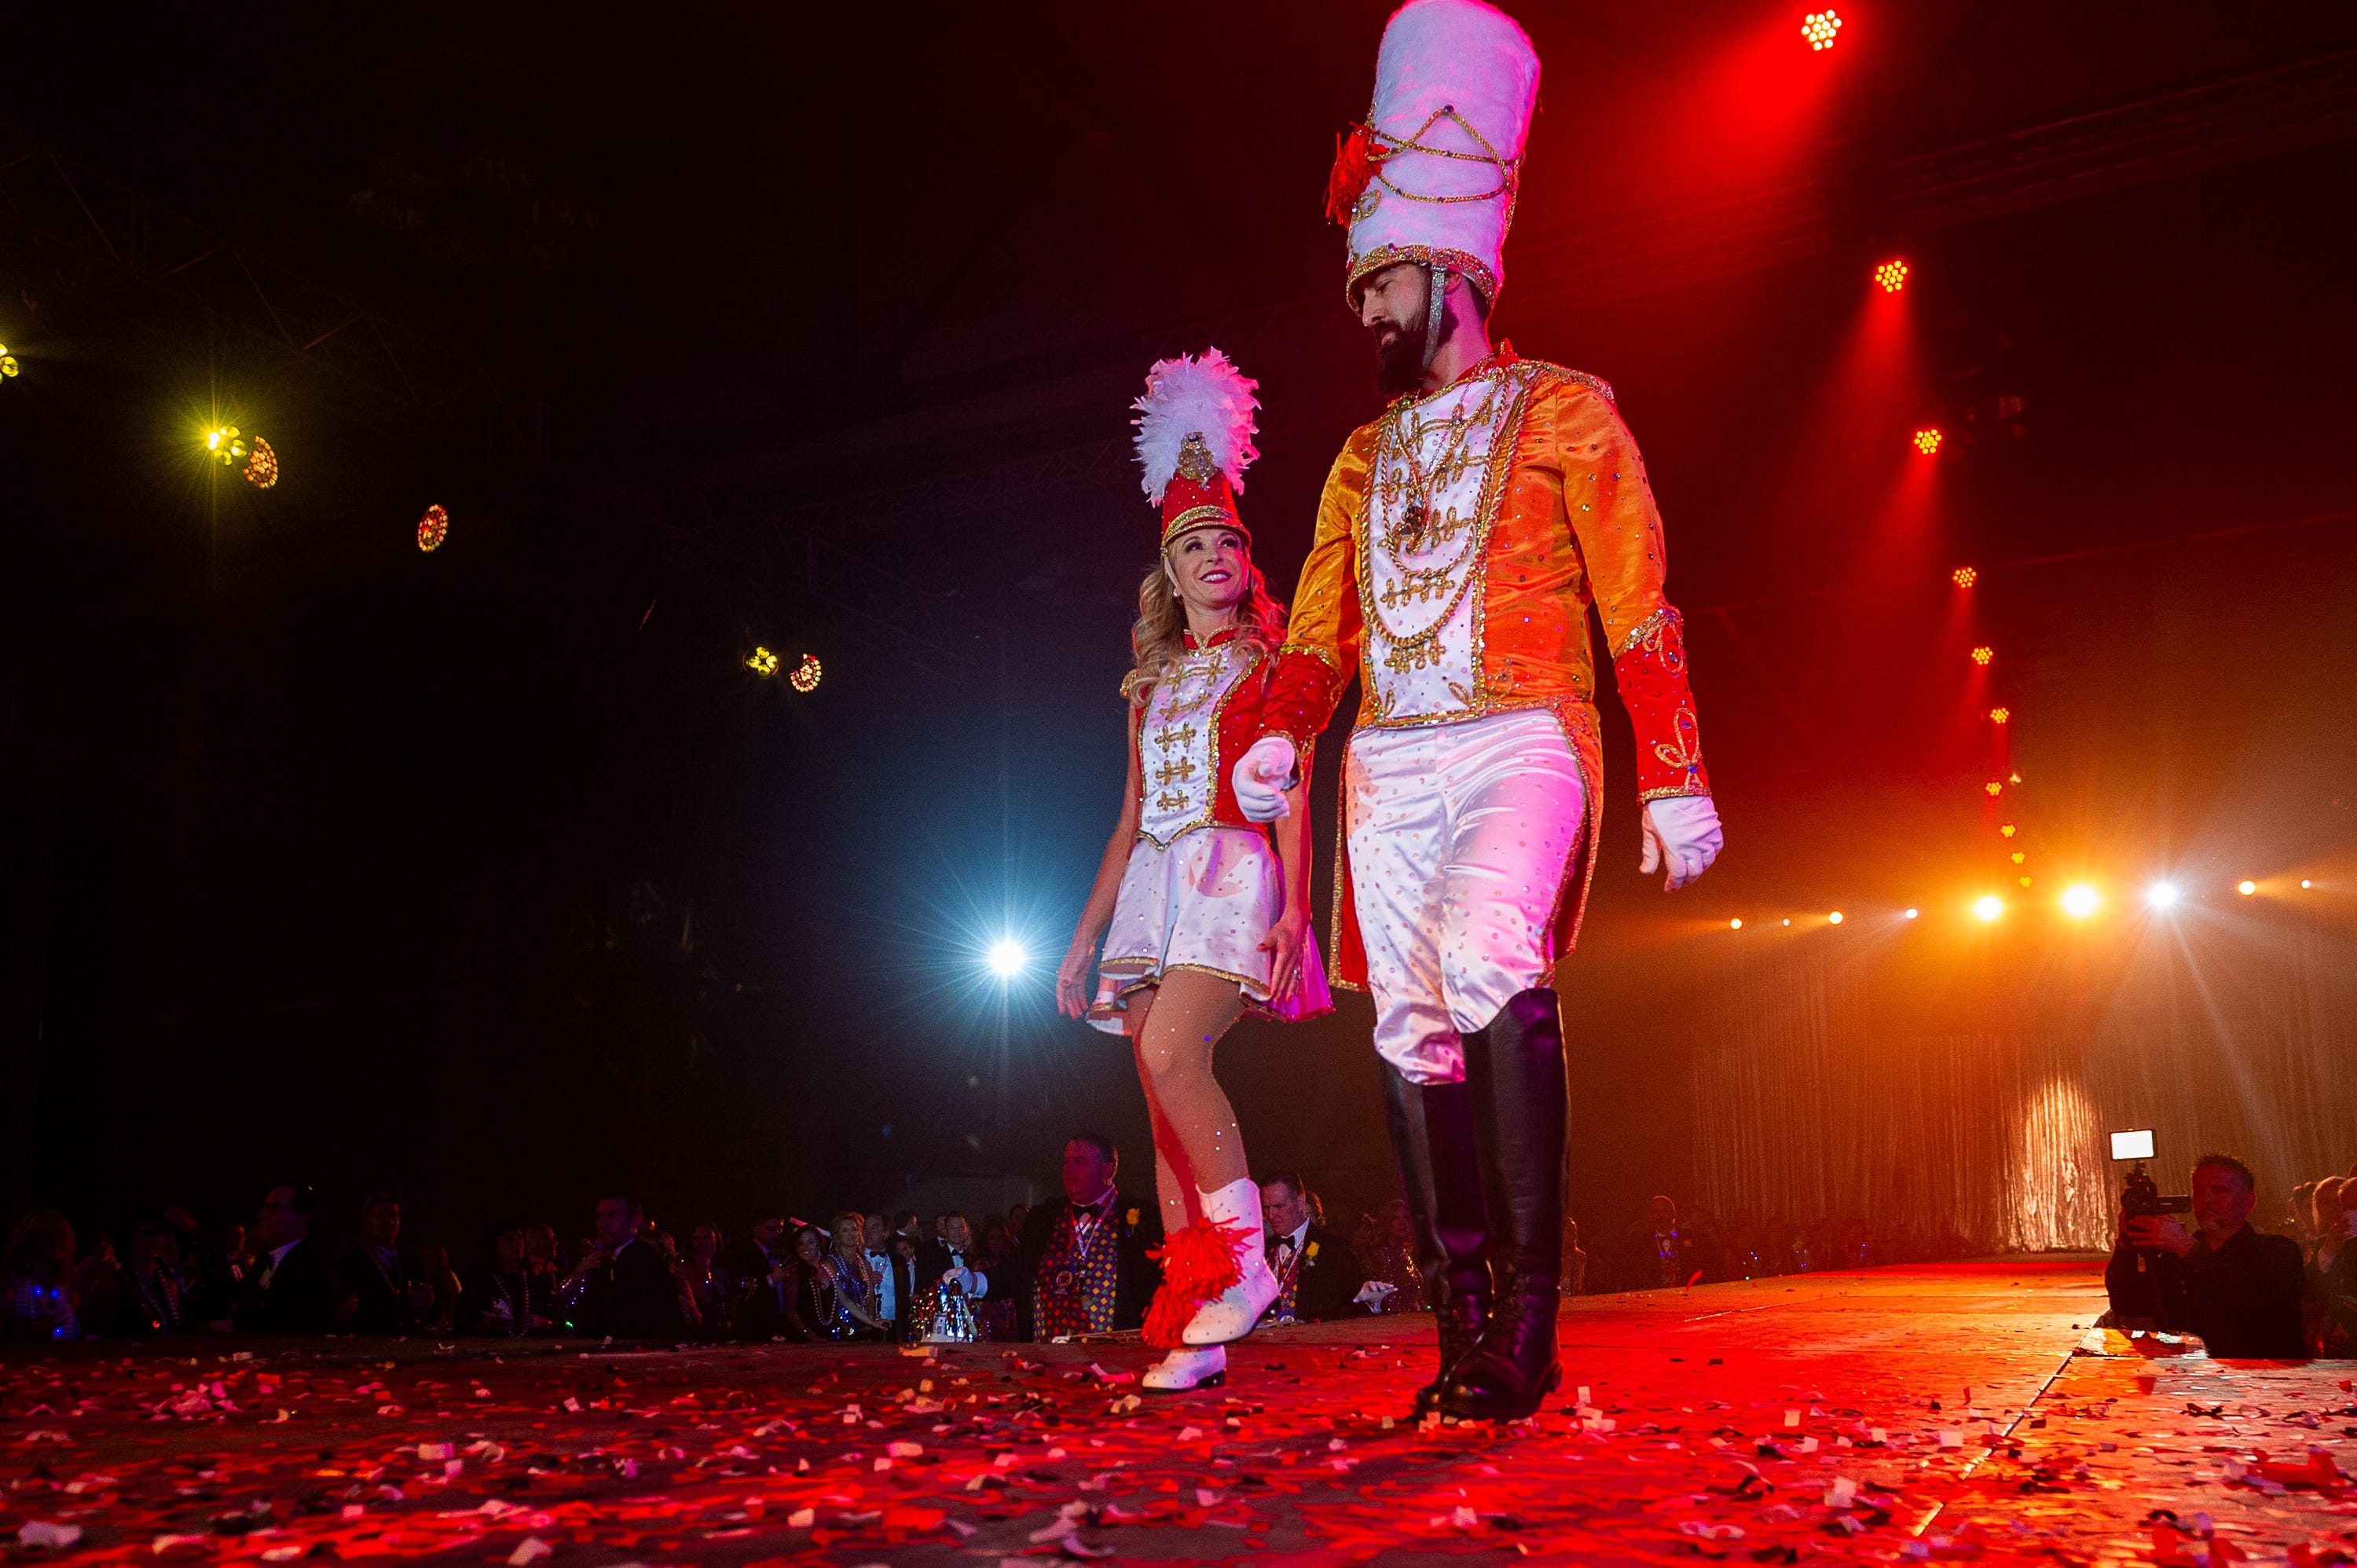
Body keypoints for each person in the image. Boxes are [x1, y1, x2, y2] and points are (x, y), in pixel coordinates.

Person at [1235, 0, 1723, 1420]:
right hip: (1389, 761)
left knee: (1490, 944)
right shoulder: (1351, 457)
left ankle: (1527, 1322)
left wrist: (1676, 768)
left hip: (1525, 731)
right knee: (1405, 1023)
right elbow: (1317, 628)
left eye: (1378, 288)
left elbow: (1637, 599)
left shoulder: (1570, 409)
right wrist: (1279, 730)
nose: (1366, 316)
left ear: (1450, 270)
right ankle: (1459, 1331)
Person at [1049, 350, 1334, 1392]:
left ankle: (1250, 1266)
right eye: (1194, 544)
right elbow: (1126, 818)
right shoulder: (1147, 686)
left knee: (1176, 1055)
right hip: (1150, 894)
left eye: (1227, 540)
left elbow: (1292, 790)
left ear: (1244, 560)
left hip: (1229, 880)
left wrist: (1298, 905)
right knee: (1157, 1105)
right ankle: (1191, 1328)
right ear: (1170, 571)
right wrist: (1084, 938)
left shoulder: (1269, 665)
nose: (1214, 554)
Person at [959, 1137, 1164, 1349]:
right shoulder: (1044, 1216)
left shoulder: (1144, 1216)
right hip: (1046, 1357)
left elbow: (1160, 1286)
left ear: (1107, 1170)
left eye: (1080, 1161)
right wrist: (975, 1281)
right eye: (1066, 1161)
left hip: (1115, 1359)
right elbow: (1018, 1270)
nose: (1069, 1168)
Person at [2104, 1154, 2305, 1357]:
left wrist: (2187, 1249)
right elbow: (2128, 1306)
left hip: (2265, 1378)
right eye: (2199, 1190)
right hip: (2191, 1377)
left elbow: (2257, 1298)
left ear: (2248, 1202)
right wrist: (2126, 1247)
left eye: (2219, 1191)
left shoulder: (2279, 1251)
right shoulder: (2174, 1255)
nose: (2206, 1200)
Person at [1259, 1171, 1378, 1322]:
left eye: (1279, 1206)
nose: (1271, 1215)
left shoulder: (1334, 1250)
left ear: (1300, 1201)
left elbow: (1357, 1310)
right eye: (1266, 1207)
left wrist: (1372, 1301)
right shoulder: (1261, 1251)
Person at [560, 1194, 681, 1339]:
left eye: (612, 1215)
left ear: (635, 1220)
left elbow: (624, 1318)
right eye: (599, 1216)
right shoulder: (608, 1261)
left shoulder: (641, 1258)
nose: (603, 1223)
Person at [235, 1185, 343, 1335]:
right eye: (264, 1207)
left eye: (273, 1208)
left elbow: (299, 1321)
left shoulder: (315, 1265)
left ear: (303, 1216)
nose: (262, 1214)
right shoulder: (265, 1260)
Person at [343, 1195, 435, 1335]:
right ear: (364, 1221)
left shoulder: (411, 1261)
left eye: (394, 1215)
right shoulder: (350, 1263)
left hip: (407, 1345)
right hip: (367, 1344)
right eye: (380, 1216)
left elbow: (425, 1316)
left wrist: (426, 1303)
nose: (389, 1221)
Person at [2, 1209, 86, 1341]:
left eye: (60, 1235)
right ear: (29, 1239)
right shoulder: (10, 1291)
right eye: (47, 1234)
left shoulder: (68, 1294)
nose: (55, 1240)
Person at [464, 1227, 557, 1337]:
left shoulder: (534, 1282)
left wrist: (542, 1322)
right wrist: (484, 1325)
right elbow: (463, 1324)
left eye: (520, 1238)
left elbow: (559, 1321)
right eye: (509, 1239)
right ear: (495, 1245)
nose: (517, 1243)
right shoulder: (481, 1283)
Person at [112, 1214, 190, 1337]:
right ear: (129, 1238)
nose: (154, 1240)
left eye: (160, 1234)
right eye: (145, 1234)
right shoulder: (115, 1285)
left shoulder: (169, 1284)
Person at [728, 1214, 797, 1341]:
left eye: (780, 1228)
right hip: (755, 1330)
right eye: (771, 1229)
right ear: (757, 1229)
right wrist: (772, 1279)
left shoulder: (782, 1252)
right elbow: (743, 1292)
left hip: (780, 1326)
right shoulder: (744, 1252)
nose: (777, 1233)